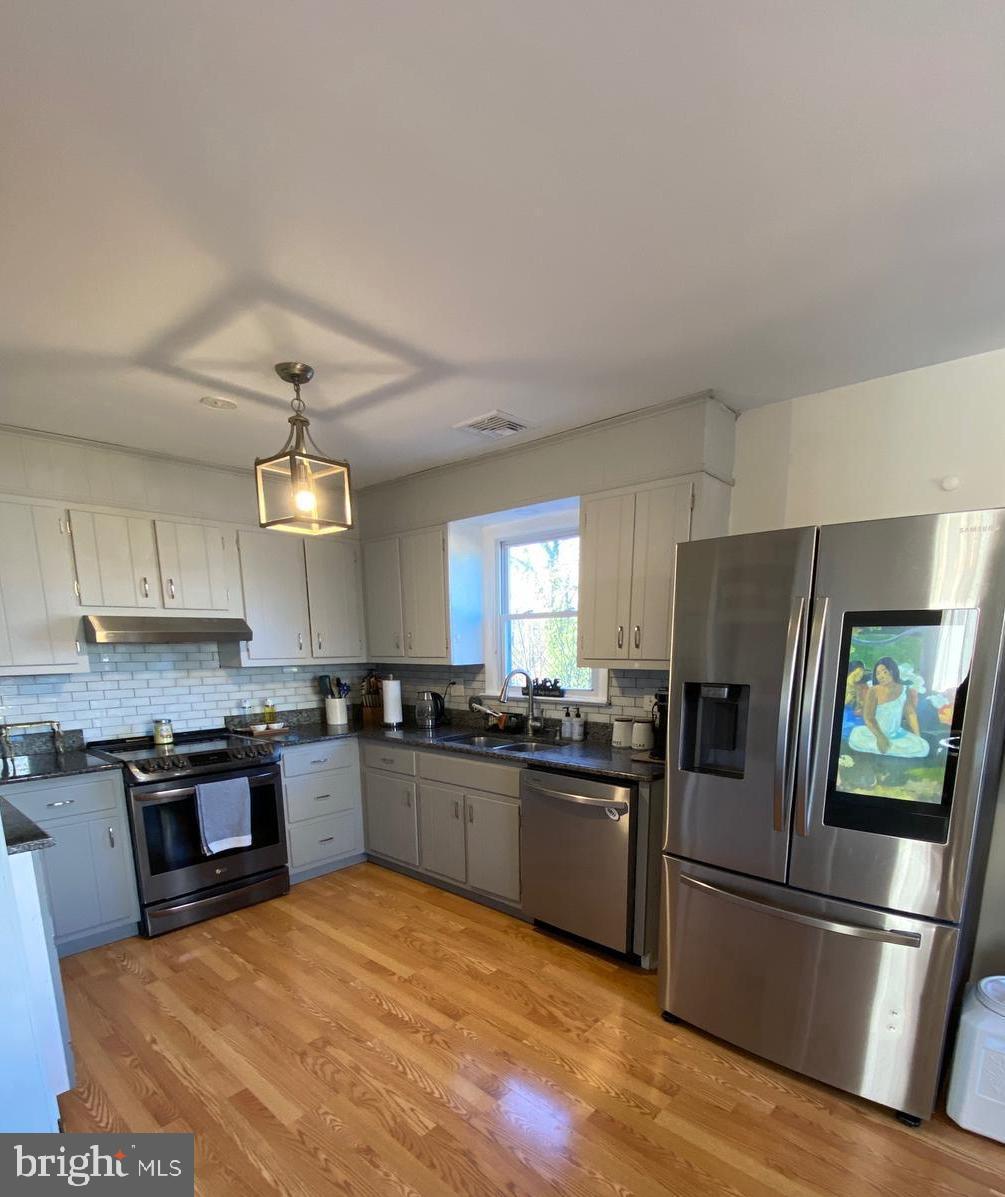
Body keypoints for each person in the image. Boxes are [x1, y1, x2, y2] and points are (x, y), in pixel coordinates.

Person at [848, 657, 929, 758]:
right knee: (856, 738)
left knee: (923, 746)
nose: (881, 676)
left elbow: (911, 714)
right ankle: (885, 747)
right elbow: (869, 718)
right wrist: (880, 738)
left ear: (893, 671)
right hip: (874, 734)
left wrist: (918, 737)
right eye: (878, 674)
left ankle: (890, 747)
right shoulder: (873, 691)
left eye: (884, 672)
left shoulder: (904, 690)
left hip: (895, 735)